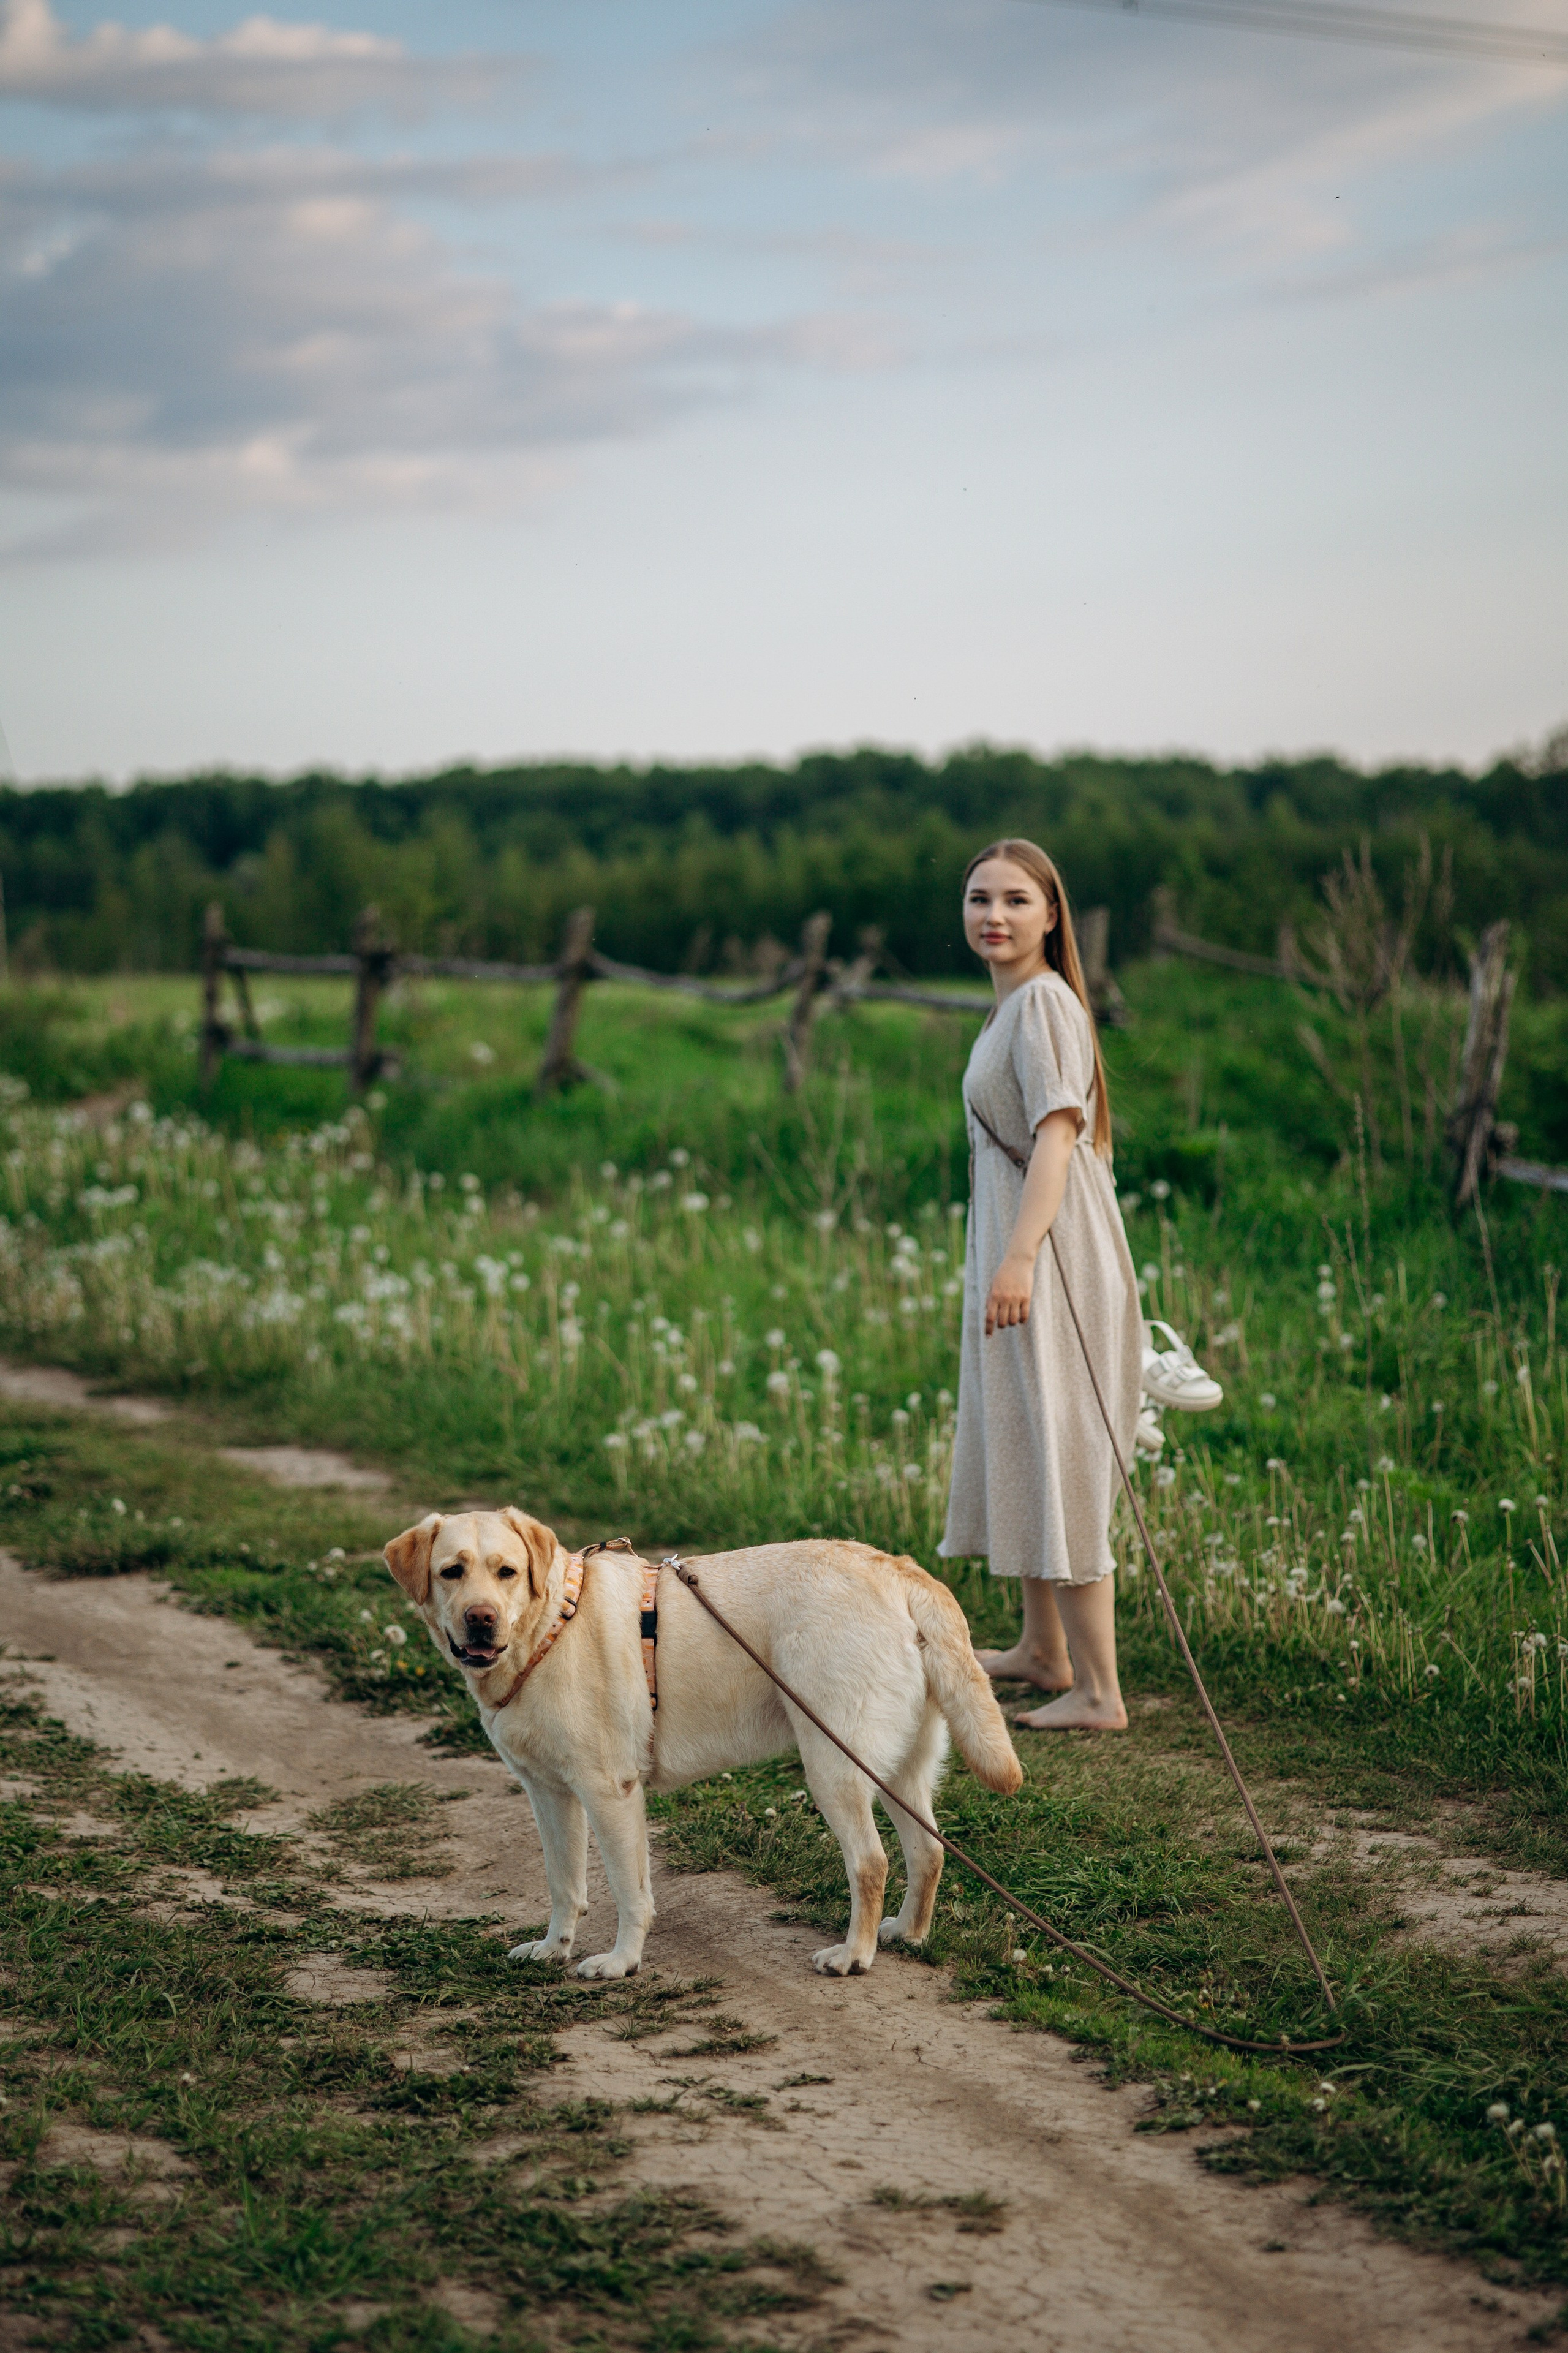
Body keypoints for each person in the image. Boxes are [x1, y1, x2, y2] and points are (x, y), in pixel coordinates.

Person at [937, 839, 1142, 1731]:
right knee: (1020, 1424)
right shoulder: (1009, 1006)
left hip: (1053, 1248)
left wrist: (1021, 1256)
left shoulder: (1044, 1005)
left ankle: (1099, 1692)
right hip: (1021, 1239)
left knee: (1061, 1439)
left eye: (1017, 900)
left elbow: (1058, 1135)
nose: (996, 915)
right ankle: (1042, 1649)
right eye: (981, 898)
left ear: (1051, 914)